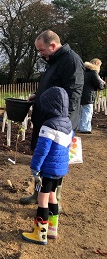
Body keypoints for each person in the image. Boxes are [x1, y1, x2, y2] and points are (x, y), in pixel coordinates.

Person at [20, 30, 84, 207]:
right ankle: (38, 194)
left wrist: (63, 125)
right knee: (44, 160)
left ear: (53, 45)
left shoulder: (71, 61)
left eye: (42, 50)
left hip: (58, 124)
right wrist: (37, 95)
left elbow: (73, 95)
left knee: (55, 162)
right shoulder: (53, 60)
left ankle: (54, 201)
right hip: (46, 120)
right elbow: (51, 87)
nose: (40, 54)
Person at [22, 86, 73, 245]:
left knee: (42, 200)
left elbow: (41, 149)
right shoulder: (68, 124)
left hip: (47, 170)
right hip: (60, 171)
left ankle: (39, 234)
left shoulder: (49, 126)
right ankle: (52, 230)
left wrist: (35, 168)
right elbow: (70, 146)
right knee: (53, 197)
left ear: (49, 106)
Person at [77, 58, 105, 134]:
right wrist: (103, 85)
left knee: (81, 112)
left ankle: (79, 127)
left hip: (81, 94)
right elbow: (99, 84)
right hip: (89, 95)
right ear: (97, 64)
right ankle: (85, 128)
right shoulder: (93, 73)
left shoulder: (84, 72)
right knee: (87, 112)